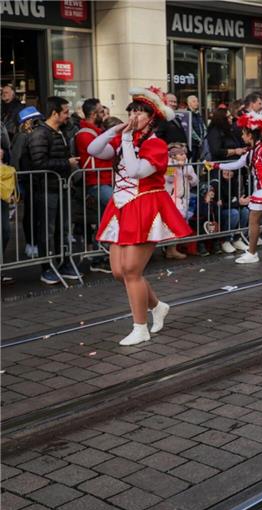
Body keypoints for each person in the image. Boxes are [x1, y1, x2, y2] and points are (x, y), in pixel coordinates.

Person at [87, 86, 194, 345]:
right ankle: (157, 306)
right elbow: (93, 149)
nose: (134, 115)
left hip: (145, 206)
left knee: (131, 270)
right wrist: (114, 131)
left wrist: (125, 140)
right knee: (118, 271)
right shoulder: (126, 139)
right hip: (122, 206)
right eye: (131, 110)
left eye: (140, 112)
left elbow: (136, 171)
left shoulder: (156, 144)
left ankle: (140, 328)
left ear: (152, 118)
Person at [211, 111, 262, 263]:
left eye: (243, 133)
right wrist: (216, 165)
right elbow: (236, 164)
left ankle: (253, 253)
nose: (242, 136)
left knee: (254, 220)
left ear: (250, 135)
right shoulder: (253, 151)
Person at [28, 96, 81, 283]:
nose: (68, 115)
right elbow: (39, 163)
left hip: (61, 186)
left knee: (64, 228)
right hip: (47, 189)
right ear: (54, 113)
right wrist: (66, 163)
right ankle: (47, 267)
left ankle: (64, 263)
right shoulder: (40, 134)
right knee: (47, 230)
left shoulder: (61, 132)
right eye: (65, 112)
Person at [74, 97, 114, 270]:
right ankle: (100, 257)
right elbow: (106, 152)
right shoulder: (85, 134)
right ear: (93, 114)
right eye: (101, 111)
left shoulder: (96, 132)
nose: (104, 114)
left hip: (103, 180)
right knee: (112, 214)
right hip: (97, 182)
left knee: (104, 220)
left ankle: (101, 257)